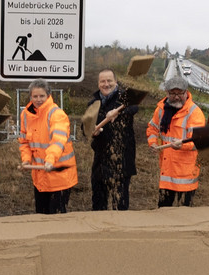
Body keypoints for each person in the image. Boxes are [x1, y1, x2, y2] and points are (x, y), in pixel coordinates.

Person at [18, 79, 78, 214]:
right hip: (40, 177)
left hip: (59, 175)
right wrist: (26, 160)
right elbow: (24, 142)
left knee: (56, 217)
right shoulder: (26, 115)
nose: (38, 100)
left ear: (48, 95)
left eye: (42, 96)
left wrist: (50, 160)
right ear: (30, 96)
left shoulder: (56, 114)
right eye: (35, 96)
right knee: (41, 215)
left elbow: (58, 141)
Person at [146, 75, 206, 207]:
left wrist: (182, 146)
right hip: (167, 171)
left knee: (184, 215)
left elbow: (200, 142)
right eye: (173, 93)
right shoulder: (161, 110)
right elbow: (152, 129)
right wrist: (153, 143)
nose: (177, 96)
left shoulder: (194, 113)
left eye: (180, 93)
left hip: (186, 175)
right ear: (167, 93)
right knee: (163, 210)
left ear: (186, 92)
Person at [88, 69, 139, 211]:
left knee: (120, 204)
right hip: (100, 160)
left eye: (109, 81)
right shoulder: (93, 103)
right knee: (98, 203)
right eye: (102, 81)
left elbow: (134, 107)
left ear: (115, 82)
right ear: (98, 84)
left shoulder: (123, 98)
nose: (106, 84)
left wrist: (118, 111)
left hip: (121, 160)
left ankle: (120, 231)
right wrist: (93, 132)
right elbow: (85, 126)